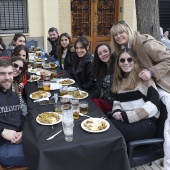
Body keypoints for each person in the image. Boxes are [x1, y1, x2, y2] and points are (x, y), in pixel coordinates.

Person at [110, 20, 170, 169]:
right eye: (115, 35)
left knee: (168, 126)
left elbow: (168, 59)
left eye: (121, 32)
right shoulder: (124, 48)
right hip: (147, 85)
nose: (118, 36)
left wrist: (151, 72)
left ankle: (168, 163)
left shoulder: (144, 42)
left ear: (129, 30)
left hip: (164, 86)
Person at [108, 48, 160, 143]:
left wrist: (128, 116)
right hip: (129, 122)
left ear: (135, 61)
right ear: (118, 63)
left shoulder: (143, 78)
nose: (126, 62)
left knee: (108, 126)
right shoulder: (120, 80)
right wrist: (117, 111)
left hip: (146, 124)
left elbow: (154, 105)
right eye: (122, 60)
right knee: (105, 124)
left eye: (129, 59)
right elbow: (117, 101)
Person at [0, 57, 26, 167]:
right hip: (3, 147)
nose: (7, 78)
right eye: (2, 74)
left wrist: (23, 133)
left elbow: (21, 118)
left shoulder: (14, 95)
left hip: (18, 140)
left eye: (10, 73)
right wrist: (2, 131)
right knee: (41, 154)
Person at [90, 43, 115, 115]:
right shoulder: (101, 69)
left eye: (105, 51)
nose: (103, 54)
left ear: (110, 51)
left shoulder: (118, 67)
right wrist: (87, 97)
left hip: (115, 105)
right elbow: (97, 90)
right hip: (104, 101)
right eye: (100, 53)